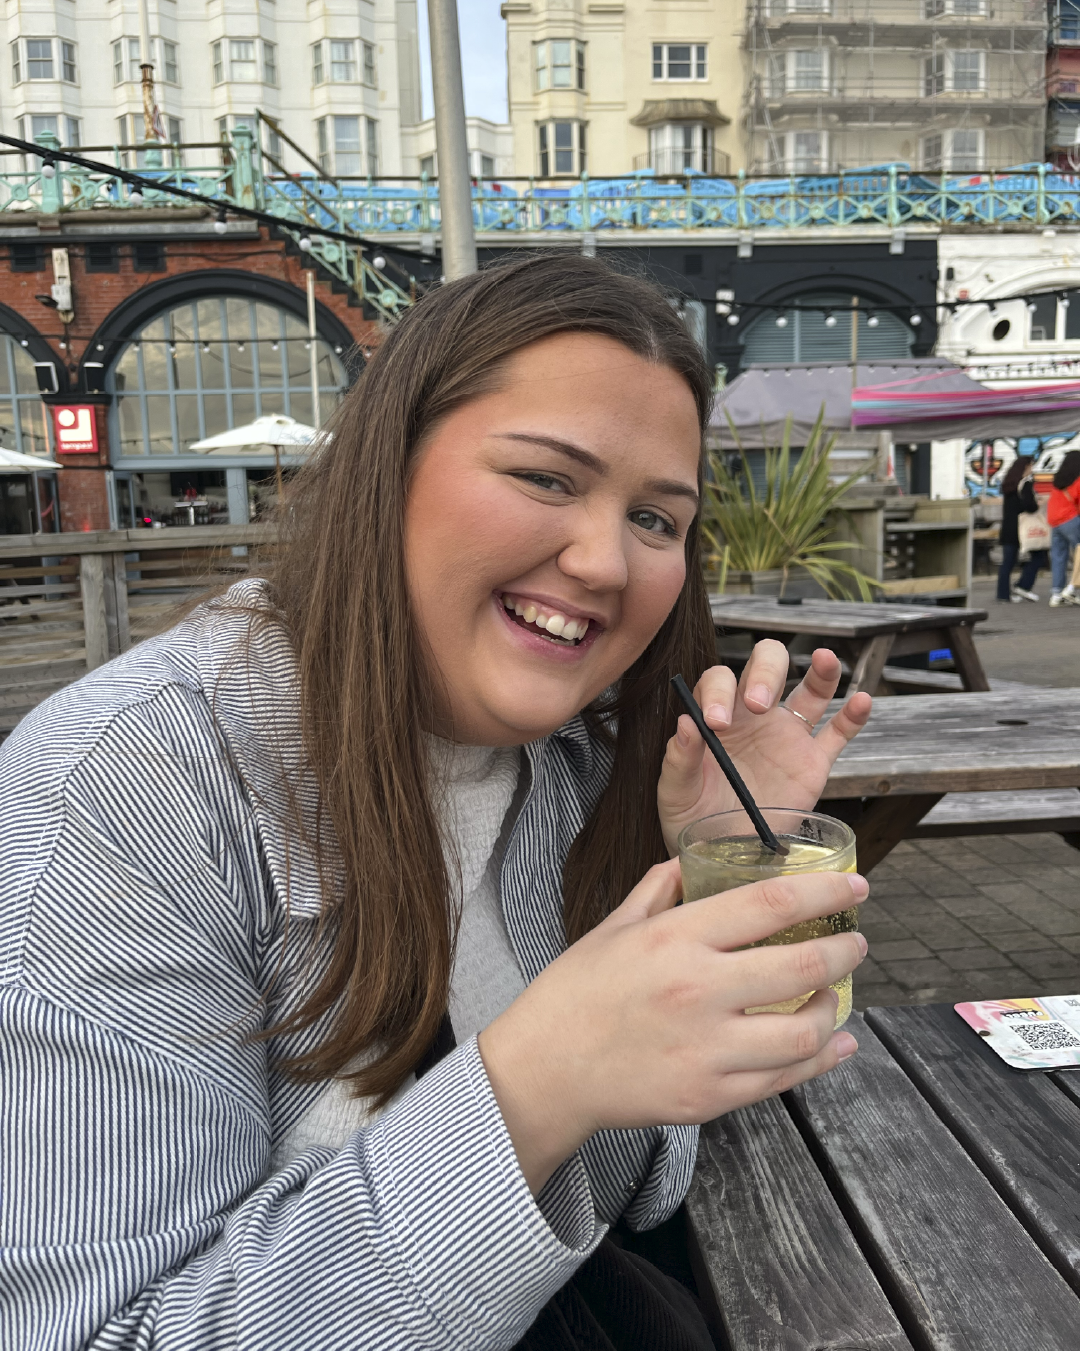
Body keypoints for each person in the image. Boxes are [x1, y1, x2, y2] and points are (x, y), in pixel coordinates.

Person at [0, 256, 872, 1351]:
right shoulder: (131, 782)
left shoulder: (578, 761)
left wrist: (696, 861)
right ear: (391, 464)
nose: (605, 560)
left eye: (657, 518)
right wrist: (538, 1079)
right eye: (548, 479)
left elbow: (626, 1197)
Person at [995, 454, 1046, 603]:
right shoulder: (1026, 484)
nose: (1032, 469)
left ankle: (1002, 594)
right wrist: (1038, 504)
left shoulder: (1008, 484)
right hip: (1023, 528)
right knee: (1038, 555)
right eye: (1031, 466)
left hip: (1008, 527)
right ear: (1026, 467)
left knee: (1008, 562)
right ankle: (1023, 585)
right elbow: (1029, 506)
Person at [1048, 448, 1080, 607]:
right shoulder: (1078, 479)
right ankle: (1072, 589)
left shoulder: (1057, 480)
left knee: (1059, 557)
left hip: (1054, 522)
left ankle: (1056, 594)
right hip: (1070, 519)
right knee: (1079, 555)